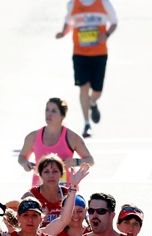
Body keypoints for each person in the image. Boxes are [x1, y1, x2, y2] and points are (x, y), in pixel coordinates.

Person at [55, 0, 117, 138]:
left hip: (99, 54)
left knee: (97, 91)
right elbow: (69, 22)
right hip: (80, 54)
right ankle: (86, 123)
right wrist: (63, 32)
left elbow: (114, 22)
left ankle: (93, 102)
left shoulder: (103, 3)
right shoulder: (73, 4)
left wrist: (106, 35)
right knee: (84, 87)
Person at [18, 97, 94, 187]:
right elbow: (22, 157)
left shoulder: (72, 137)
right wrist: (25, 164)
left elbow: (90, 160)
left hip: (66, 190)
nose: (49, 114)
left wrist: (75, 162)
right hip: (39, 189)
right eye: (47, 110)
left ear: (62, 115)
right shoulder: (33, 136)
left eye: (54, 111)